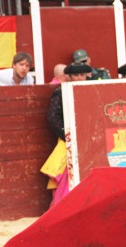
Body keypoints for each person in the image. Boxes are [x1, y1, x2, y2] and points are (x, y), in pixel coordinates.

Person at [42, 62, 92, 207]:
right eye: (76, 75)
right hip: (69, 143)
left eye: (82, 75)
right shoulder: (61, 92)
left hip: (89, 142)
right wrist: (69, 136)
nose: (80, 78)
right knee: (65, 179)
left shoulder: (91, 90)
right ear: (69, 77)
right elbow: (53, 117)